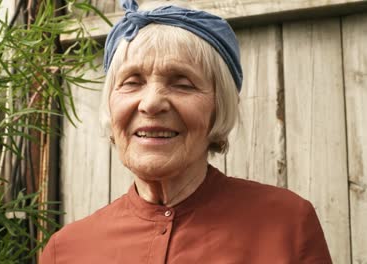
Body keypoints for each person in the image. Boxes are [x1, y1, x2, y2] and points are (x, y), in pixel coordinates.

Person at [41, 0, 332, 263]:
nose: (152, 103)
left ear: (219, 107)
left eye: (182, 83)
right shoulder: (67, 250)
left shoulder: (286, 225)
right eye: (132, 82)